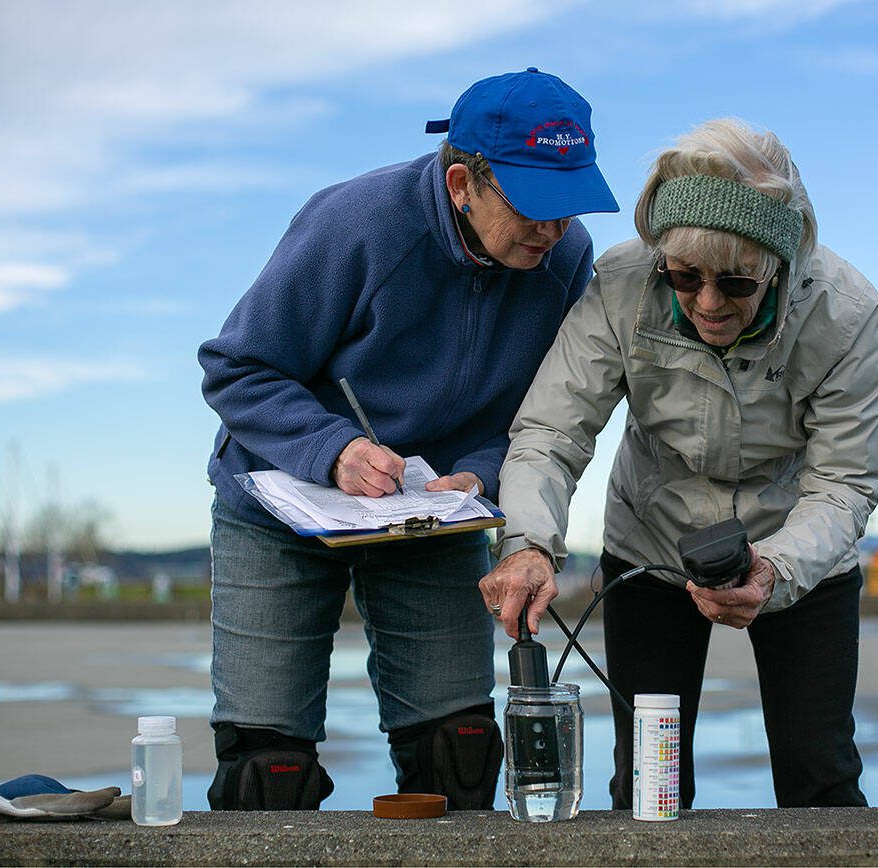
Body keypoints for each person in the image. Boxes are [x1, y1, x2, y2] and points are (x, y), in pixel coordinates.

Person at [197, 68, 618, 812]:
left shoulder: (563, 256)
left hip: (432, 509)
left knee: (457, 756)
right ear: (462, 183)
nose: (552, 231)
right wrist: (332, 448)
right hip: (282, 499)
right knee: (266, 772)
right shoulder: (357, 225)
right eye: (532, 208)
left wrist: (480, 473)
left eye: (568, 204)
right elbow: (236, 368)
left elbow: (538, 410)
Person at [480, 118, 878, 809]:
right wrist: (526, 542)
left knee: (819, 770)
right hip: (650, 544)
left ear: (779, 264)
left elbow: (845, 483)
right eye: (684, 276)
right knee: (649, 783)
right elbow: (552, 430)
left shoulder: (846, 314)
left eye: (736, 283)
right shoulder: (620, 283)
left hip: (799, 551)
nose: (707, 303)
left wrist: (776, 568)